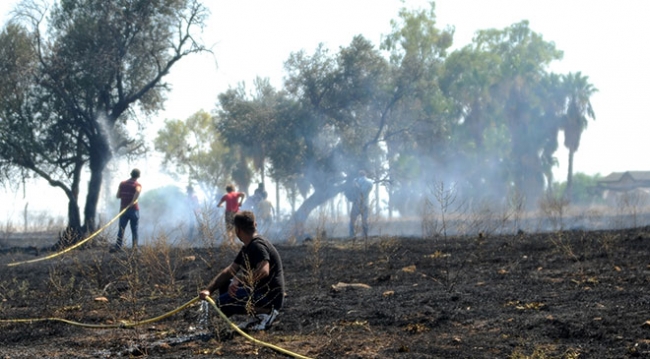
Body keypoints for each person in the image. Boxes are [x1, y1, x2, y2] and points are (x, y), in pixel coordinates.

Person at [199, 211, 285, 331]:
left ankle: (266, 313)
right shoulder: (247, 247)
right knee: (224, 286)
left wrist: (240, 280)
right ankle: (258, 314)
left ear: (237, 230)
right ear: (255, 224)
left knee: (223, 302)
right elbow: (230, 271)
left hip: (269, 297)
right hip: (260, 292)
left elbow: (264, 271)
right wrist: (209, 290)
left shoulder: (258, 245)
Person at [113, 168, 142, 252]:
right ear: (138, 176)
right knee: (134, 229)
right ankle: (135, 248)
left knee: (121, 229)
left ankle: (118, 247)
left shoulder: (122, 183)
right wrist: (132, 202)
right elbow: (137, 192)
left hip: (123, 210)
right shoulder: (138, 185)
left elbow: (118, 196)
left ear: (131, 174)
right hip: (134, 210)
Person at [349, 170, 373, 238]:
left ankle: (351, 234)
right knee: (365, 220)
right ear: (366, 174)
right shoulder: (370, 182)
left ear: (359, 175)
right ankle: (365, 234)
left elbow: (355, 191)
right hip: (366, 203)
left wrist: (355, 184)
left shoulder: (355, 181)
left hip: (357, 203)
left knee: (352, 219)